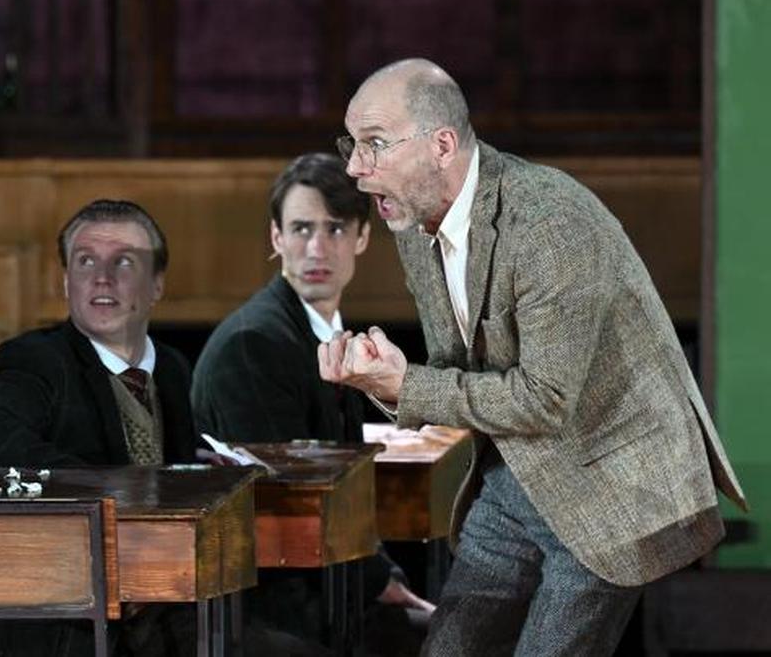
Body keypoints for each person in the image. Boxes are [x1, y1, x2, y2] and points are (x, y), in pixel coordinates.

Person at [319, 57, 747, 655]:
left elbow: (545, 400)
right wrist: (381, 378)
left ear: (442, 145)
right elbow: (460, 374)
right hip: (515, 473)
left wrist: (407, 384)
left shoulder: (549, 223)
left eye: (374, 144)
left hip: (606, 479)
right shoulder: (416, 225)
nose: (354, 168)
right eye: (351, 144)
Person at [192, 154, 431, 656]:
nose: (318, 248)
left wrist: (384, 577)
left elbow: (344, 494)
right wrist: (379, 584)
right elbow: (287, 505)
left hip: (325, 587)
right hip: (266, 606)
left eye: (335, 228)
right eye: (302, 229)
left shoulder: (324, 334)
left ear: (362, 237)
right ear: (277, 238)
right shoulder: (254, 344)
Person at [0, 198, 197, 656]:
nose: (102, 277)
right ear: (66, 281)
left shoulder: (174, 369)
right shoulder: (34, 360)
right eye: (86, 261)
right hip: (60, 620)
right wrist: (110, 496)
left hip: (164, 612)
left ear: (157, 284)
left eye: (124, 262)